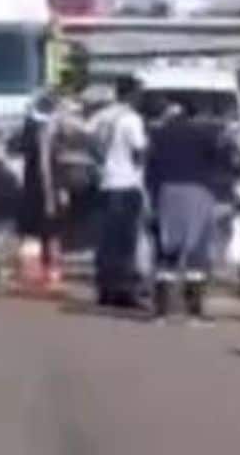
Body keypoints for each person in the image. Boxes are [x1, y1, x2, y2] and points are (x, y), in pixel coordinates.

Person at [148, 102, 239, 319]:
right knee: (197, 249)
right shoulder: (204, 134)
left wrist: (152, 197)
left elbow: (150, 168)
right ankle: (194, 308)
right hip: (198, 191)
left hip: (167, 192)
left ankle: (161, 309)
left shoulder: (160, 135)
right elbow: (225, 160)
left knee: (166, 247)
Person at [89, 75, 148, 308]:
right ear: (132, 94)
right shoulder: (131, 119)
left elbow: (87, 138)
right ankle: (124, 292)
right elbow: (139, 152)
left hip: (105, 182)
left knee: (106, 241)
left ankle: (105, 290)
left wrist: (101, 161)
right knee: (125, 241)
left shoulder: (102, 116)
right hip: (126, 184)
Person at [16, 92, 65, 291]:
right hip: (43, 187)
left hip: (32, 186)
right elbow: (46, 165)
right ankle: (43, 272)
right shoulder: (41, 131)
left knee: (34, 230)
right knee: (45, 229)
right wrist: (55, 192)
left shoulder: (30, 128)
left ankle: (34, 273)